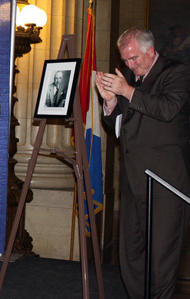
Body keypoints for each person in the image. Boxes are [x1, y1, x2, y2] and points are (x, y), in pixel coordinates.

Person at [95, 27, 190, 298]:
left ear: (151, 51)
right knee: (131, 255)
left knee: (162, 257)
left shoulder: (176, 72)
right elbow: (120, 126)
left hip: (166, 182)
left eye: (134, 59)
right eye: (125, 60)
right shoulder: (128, 78)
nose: (129, 65)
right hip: (134, 180)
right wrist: (111, 103)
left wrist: (126, 92)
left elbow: (167, 110)